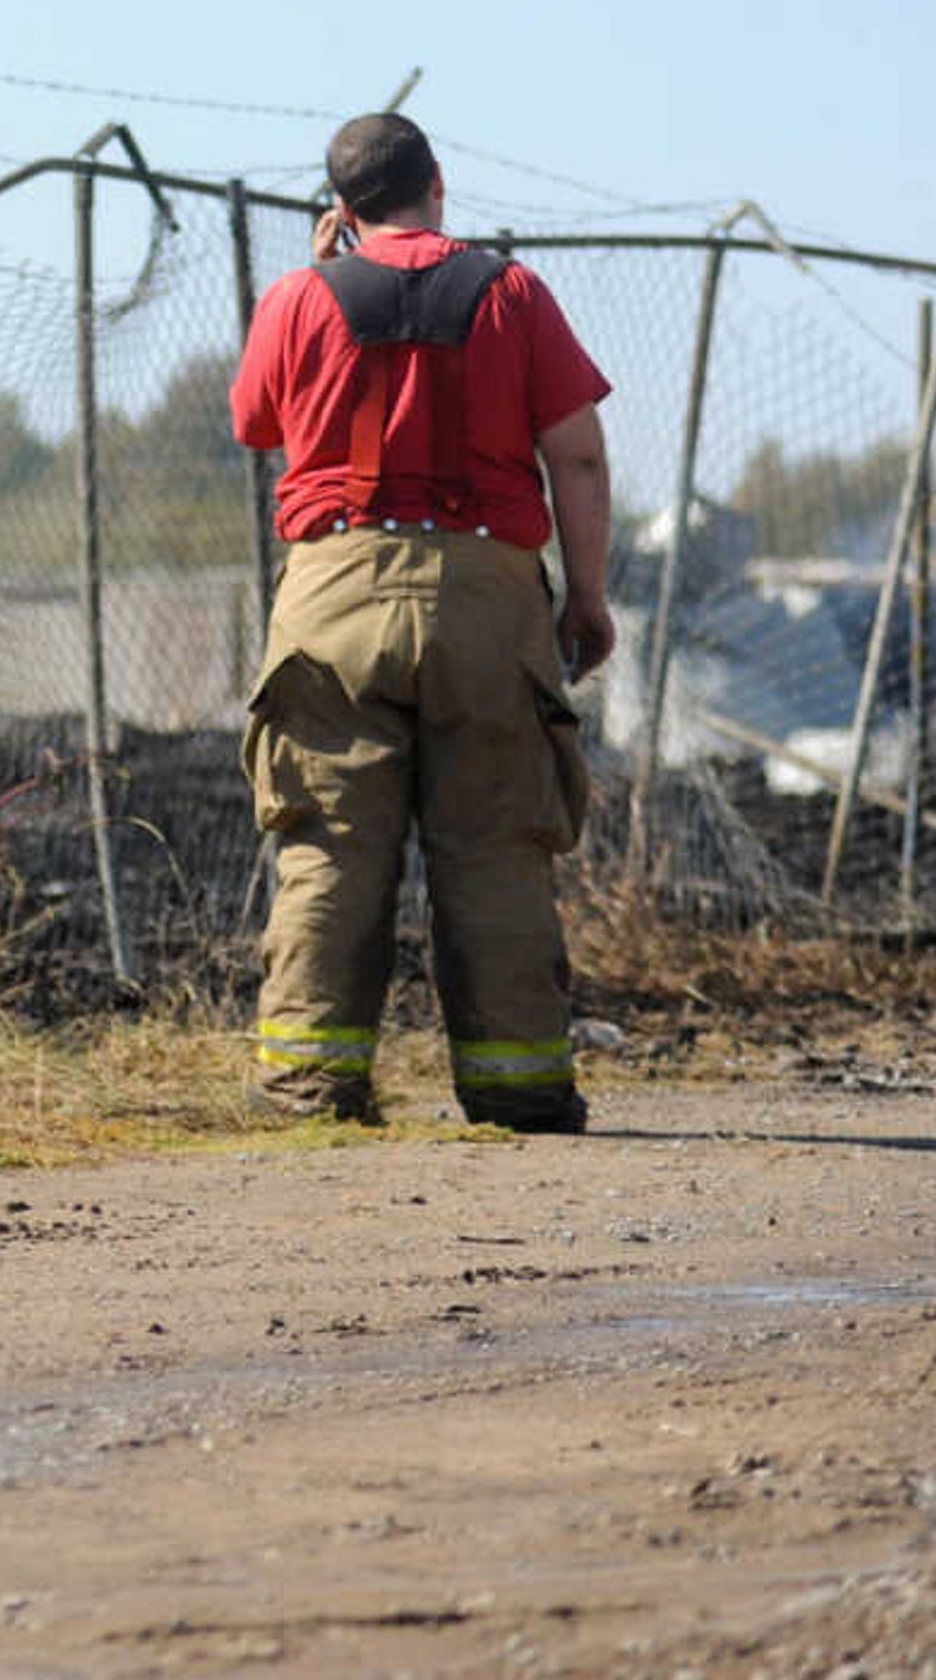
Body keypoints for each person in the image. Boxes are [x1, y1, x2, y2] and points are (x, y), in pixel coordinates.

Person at [227, 113, 616, 1132]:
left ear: (343, 208)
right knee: (495, 843)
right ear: (438, 184)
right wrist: (585, 595)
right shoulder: (514, 293)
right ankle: (520, 1086)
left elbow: (258, 424)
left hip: (334, 594)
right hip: (487, 593)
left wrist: (317, 276)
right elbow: (576, 453)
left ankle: (309, 1090)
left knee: (327, 845)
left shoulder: (299, 297)